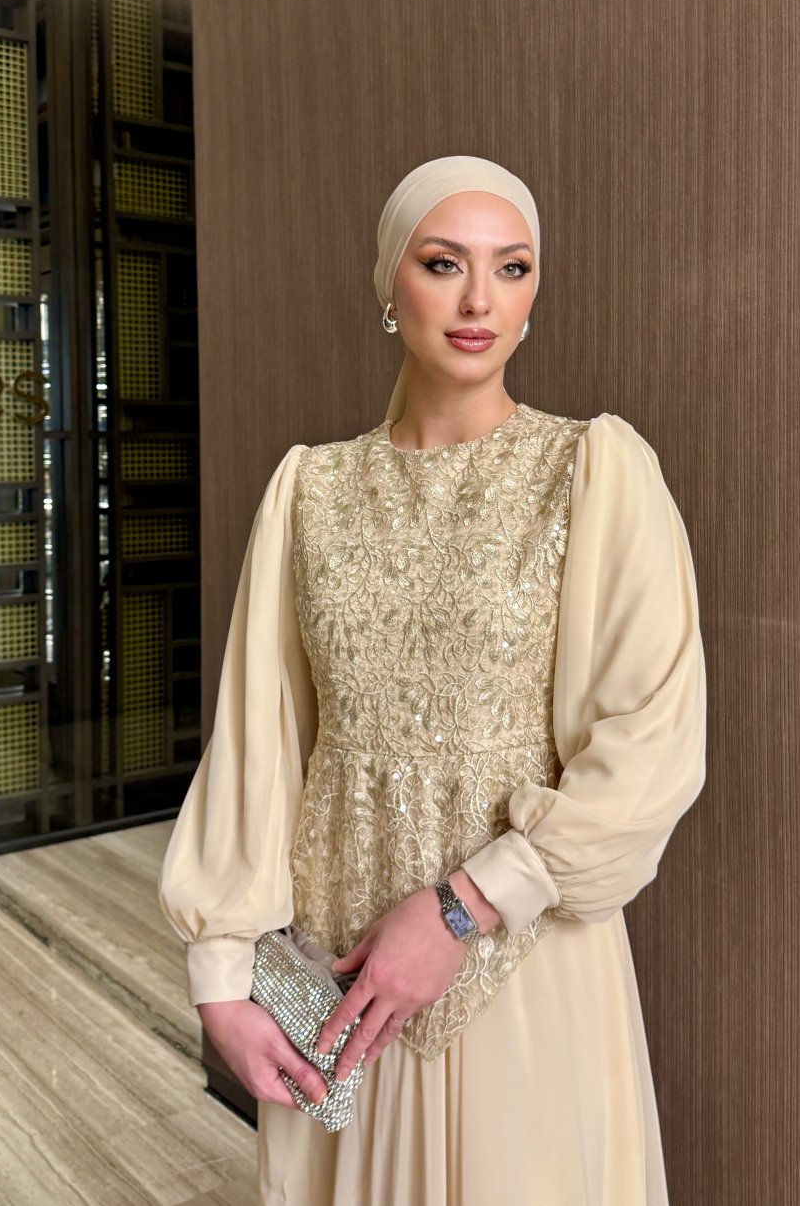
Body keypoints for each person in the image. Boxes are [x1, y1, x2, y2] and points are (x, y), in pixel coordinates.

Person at [158, 154, 707, 1205]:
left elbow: (653, 740)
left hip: (529, 967)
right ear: (389, 283)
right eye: (444, 263)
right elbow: (260, 742)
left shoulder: (593, 471)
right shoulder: (308, 490)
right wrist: (222, 973)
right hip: (337, 970)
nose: (478, 299)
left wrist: (462, 909)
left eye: (512, 267)